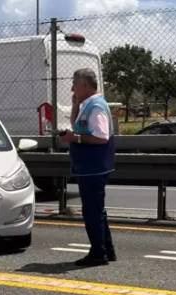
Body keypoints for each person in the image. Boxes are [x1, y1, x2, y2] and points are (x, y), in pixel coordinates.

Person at [60, 68, 116, 267]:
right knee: (97, 210)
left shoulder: (96, 107)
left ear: (84, 85)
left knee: (92, 211)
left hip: (93, 167)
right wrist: (75, 106)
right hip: (91, 167)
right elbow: (77, 126)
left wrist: (74, 138)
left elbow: (101, 137)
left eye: (75, 84)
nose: (72, 88)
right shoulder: (88, 105)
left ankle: (98, 253)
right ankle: (106, 250)